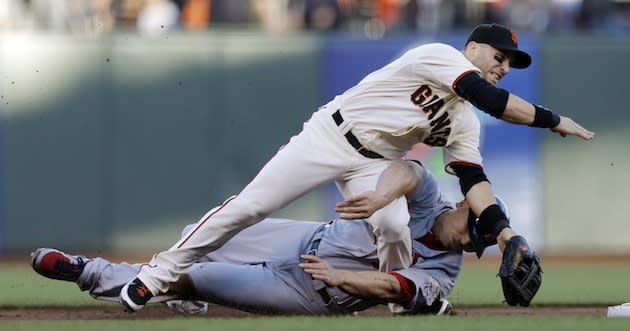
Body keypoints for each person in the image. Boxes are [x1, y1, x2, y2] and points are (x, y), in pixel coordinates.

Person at [118, 22, 592, 312]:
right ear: (473, 50)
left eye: (511, 61)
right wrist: (552, 120)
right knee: (249, 207)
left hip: (376, 161)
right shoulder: (442, 57)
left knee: (392, 226)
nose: (505, 65)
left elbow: (474, 181)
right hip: (330, 135)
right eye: (499, 55)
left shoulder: (464, 121)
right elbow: (488, 97)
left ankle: (396, 308)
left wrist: (505, 233)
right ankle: (158, 274)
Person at [32, 160, 526, 315]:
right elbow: (408, 171)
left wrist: (343, 279)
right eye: (471, 228)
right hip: (300, 238)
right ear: (464, 205)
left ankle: (87, 271)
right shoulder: (431, 202)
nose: (468, 242)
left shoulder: (445, 270)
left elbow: (399, 289)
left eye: (477, 243)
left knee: (195, 275)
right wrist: (379, 197)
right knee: (194, 236)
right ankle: (185, 303)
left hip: (311, 293)